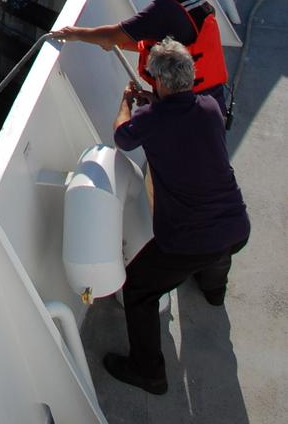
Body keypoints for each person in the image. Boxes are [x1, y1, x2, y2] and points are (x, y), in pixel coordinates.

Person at [103, 38, 249, 395]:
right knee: (218, 250)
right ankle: (214, 292)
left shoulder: (151, 119)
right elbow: (180, 117)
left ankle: (148, 371)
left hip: (188, 242)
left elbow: (123, 136)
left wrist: (127, 101)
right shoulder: (210, 107)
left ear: (160, 81)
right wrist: (157, 103)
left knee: (138, 288)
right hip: (236, 227)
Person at [53, 0, 228, 112]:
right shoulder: (202, 6)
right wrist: (120, 43)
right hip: (213, 101)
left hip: (183, 107)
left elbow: (109, 37)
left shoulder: (164, 10)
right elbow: (176, 48)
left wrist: (74, 33)